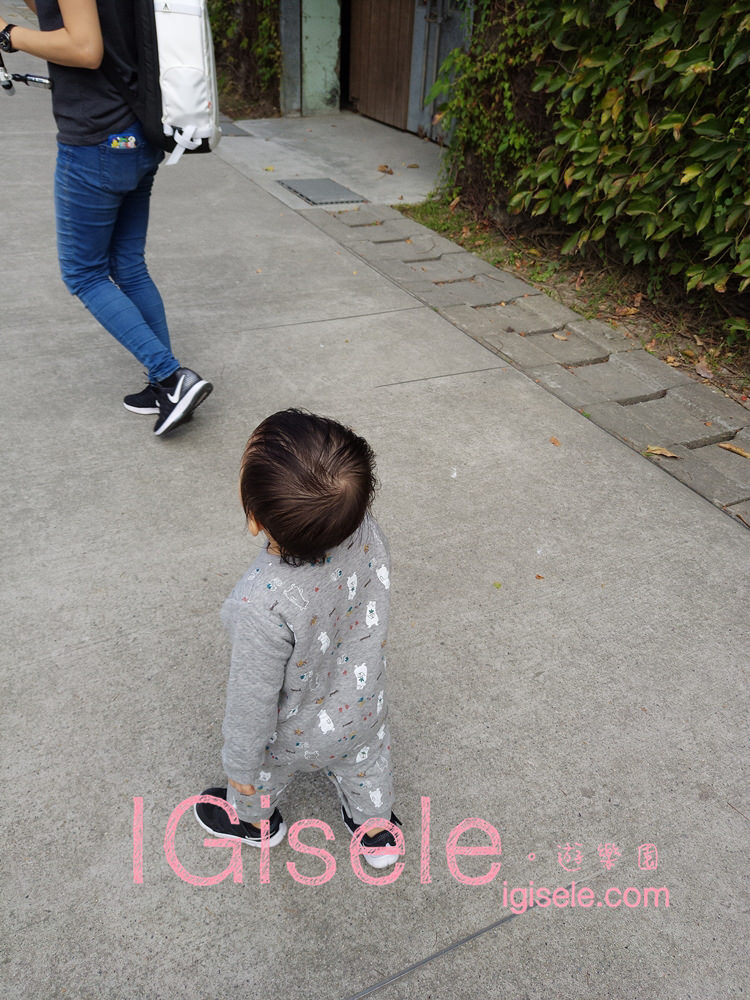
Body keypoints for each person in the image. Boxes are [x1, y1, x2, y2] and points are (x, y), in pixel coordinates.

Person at [194, 409, 400, 869]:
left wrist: (240, 766)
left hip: (291, 736)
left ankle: (255, 824)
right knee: (367, 766)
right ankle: (377, 833)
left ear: (254, 518)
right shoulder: (363, 529)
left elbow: (251, 699)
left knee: (260, 777)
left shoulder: (261, 603)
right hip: (363, 710)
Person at [0, 1, 212, 436]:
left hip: (97, 139)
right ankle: (163, 386)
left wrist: (8, 34)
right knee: (128, 265)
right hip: (138, 127)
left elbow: (85, 48)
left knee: (84, 274)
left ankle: (171, 378)